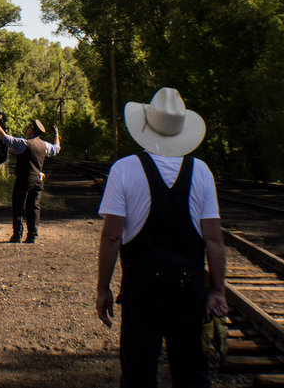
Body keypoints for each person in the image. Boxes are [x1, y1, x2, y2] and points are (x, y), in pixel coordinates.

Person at [96, 87, 227, 388]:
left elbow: (112, 238)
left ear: (146, 124)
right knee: (192, 372)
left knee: (138, 372)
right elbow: (215, 240)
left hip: (142, 290)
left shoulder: (124, 170)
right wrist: (218, 290)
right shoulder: (202, 173)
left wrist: (103, 288)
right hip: (188, 288)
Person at [0, 116, 60, 243]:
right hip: (38, 181)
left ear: (32, 130)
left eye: (29, 127)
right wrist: (57, 135)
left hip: (24, 179)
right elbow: (56, 149)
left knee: (18, 207)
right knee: (34, 208)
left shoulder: (23, 144)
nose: (27, 129)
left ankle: (17, 235)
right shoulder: (45, 146)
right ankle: (32, 235)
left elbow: (5, 138)